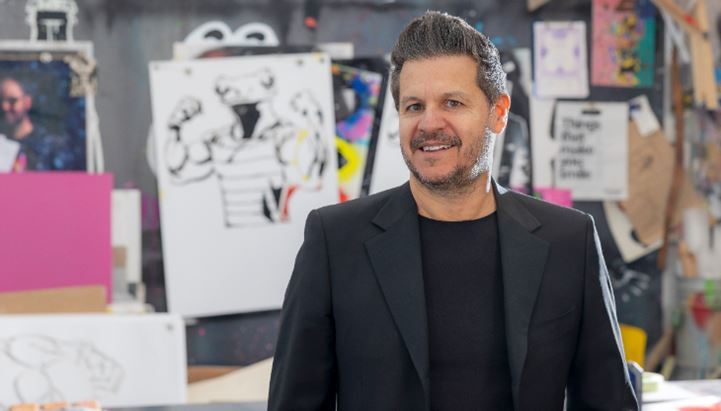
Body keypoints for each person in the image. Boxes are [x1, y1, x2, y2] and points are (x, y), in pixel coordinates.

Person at [269, 11, 638, 411]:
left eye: (452, 102)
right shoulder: (336, 240)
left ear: (498, 112)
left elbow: (609, 403)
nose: (429, 123)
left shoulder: (569, 240)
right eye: (414, 106)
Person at [0, 75, 75, 170]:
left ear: (27, 102)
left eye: (12, 101)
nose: (4, 107)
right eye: (0, 101)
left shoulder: (51, 146)